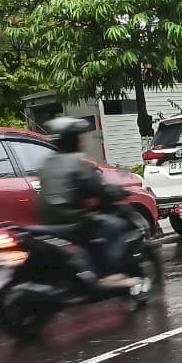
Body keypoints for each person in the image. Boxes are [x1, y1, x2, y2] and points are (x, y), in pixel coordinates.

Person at [37, 117, 139, 288]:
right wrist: (119, 191)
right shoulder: (75, 163)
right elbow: (97, 188)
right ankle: (110, 274)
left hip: (48, 221)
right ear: (73, 140)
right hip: (72, 219)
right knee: (116, 227)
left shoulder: (47, 163)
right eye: (79, 137)